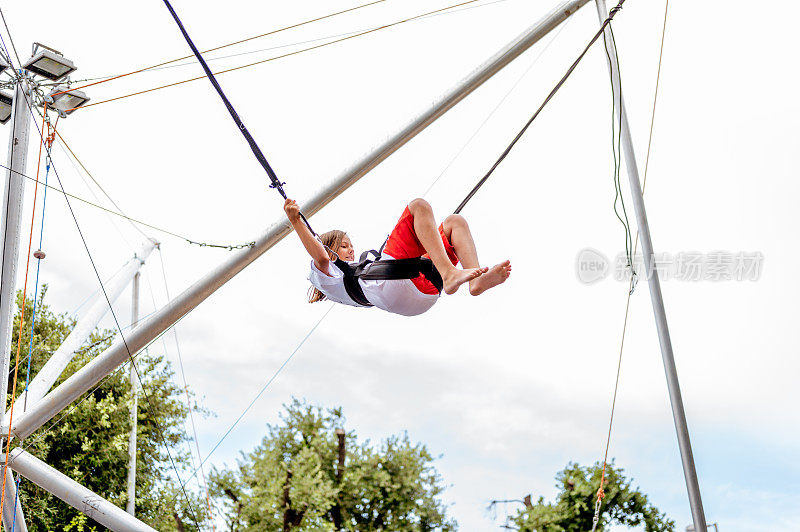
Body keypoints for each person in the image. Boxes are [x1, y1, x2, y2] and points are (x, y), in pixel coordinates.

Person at [284, 197, 511, 316]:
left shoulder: (355, 272)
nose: (351, 250)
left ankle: (475, 281)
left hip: (424, 290)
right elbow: (321, 258)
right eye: (343, 246)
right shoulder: (327, 275)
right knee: (419, 206)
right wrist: (296, 220)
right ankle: (451, 274)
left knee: (454, 222)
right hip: (389, 284)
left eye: (350, 245)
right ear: (330, 249)